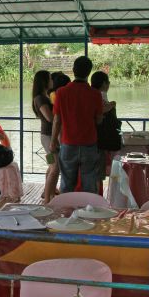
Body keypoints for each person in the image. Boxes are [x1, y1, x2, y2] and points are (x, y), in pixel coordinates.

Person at [50, 56, 103, 194]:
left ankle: (66, 213)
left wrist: (53, 141)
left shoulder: (61, 93)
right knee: (89, 185)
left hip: (68, 144)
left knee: (67, 185)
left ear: (73, 70)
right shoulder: (95, 94)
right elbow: (99, 120)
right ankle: (87, 213)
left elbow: (57, 120)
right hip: (89, 145)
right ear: (89, 72)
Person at [91, 71, 121, 194]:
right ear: (104, 84)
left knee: (93, 173)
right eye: (108, 82)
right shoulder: (101, 94)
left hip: (90, 139)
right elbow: (101, 112)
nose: (108, 85)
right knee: (98, 174)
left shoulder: (90, 94)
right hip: (100, 140)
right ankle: (97, 200)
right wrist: (112, 105)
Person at [32, 70, 59, 204]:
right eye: (50, 78)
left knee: (50, 166)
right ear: (44, 81)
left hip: (47, 137)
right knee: (55, 167)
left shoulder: (45, 96)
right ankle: (48, 199)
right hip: (48, 137)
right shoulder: (40, 98)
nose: (52, 81)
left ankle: (48, 192)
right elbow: (49, 117)